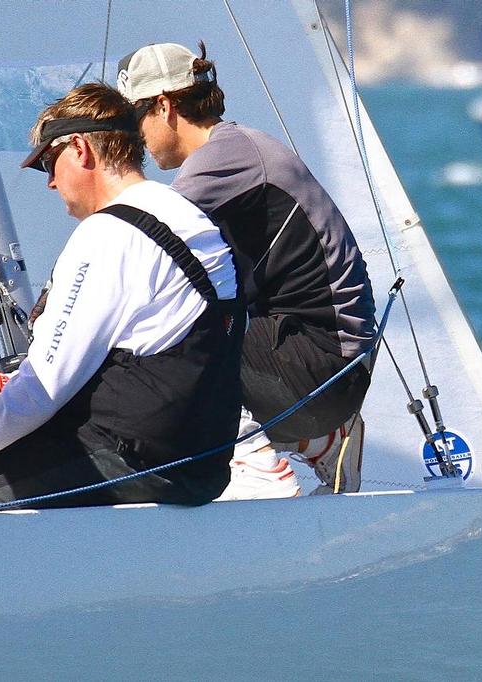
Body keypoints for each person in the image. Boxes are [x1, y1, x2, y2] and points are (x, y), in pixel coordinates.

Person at [118, 42, 377, 496]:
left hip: (322, 368)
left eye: (134, 119)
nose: (134, 136)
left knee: (163, 336)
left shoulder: (226, 157)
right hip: (330, 371)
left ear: (164, 106)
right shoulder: (237, 148)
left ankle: (251, 460)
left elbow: (137, 239)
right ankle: (318, 440)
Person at [0, 83, 243, 508]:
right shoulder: (186, 214)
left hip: (134, 464)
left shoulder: (109, 234)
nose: (49, 184)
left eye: (47, 163)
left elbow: (41, 390)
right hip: (201, 464)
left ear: (80, 148)